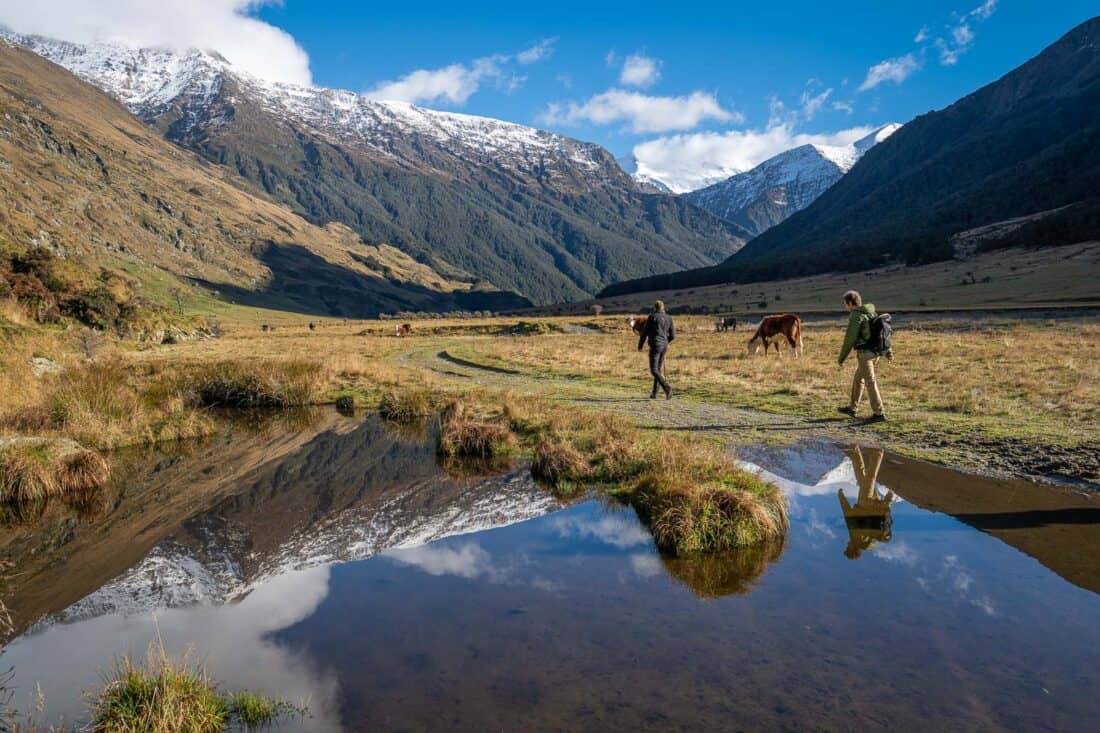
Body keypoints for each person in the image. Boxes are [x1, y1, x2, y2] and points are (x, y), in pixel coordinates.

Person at [837, 290, 888, 422]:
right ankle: (852, 408)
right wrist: (888, 351)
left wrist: (841, 358)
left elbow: (850, 338)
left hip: (865, 354)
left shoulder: (856, 315)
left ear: (850, 303)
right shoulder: (871, 312)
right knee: (858, 379)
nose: (845, 307)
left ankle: (879, 413)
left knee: (870, 382)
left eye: (845, 304)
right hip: (875, 353)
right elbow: (882, 332)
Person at [837, 445, 895, 559]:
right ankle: (878, 451)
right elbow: (847, 513)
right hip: (864, 502)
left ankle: (855, 450)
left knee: (861, 476)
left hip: (876, 505)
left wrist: (888, 500)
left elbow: (881, 522)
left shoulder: (870, 544)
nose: (847, 545)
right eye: (847, 547)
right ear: (852, 549)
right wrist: (841, 496)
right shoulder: (855, 538)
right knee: (869, 478)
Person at [637, 300, 675, 399]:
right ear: (663, 307)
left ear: (655, 307)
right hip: (664, 346)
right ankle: (654, 393)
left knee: (654, 370)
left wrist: (640, 345)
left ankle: (667, 388)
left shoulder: (652, 317)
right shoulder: (669, 318)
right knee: (657, 370)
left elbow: (644, 333)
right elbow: (673, 335)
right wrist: (666, 342)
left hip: (655, 345)